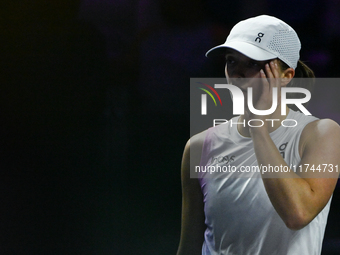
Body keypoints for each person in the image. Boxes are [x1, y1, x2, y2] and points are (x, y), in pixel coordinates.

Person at [176, 15, 340, 255]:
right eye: (232, 61)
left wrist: (258, 127)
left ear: (286, 76)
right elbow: (189, 246)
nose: (238, 73)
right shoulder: (200, 145)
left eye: (253, 64)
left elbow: (298, 214)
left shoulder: (321, 133)